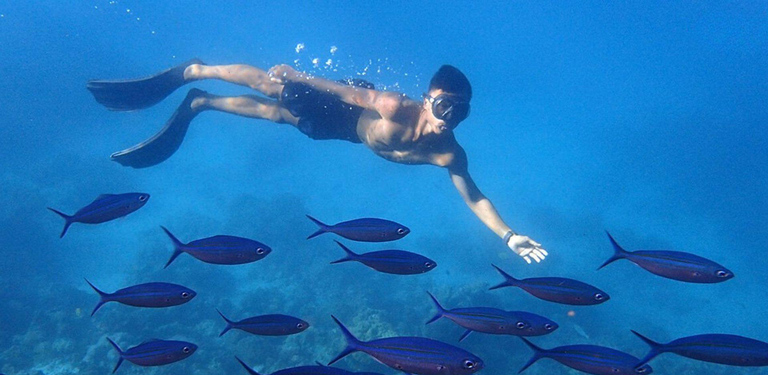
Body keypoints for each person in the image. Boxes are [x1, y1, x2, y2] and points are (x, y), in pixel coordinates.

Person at [87, 59, 547, 263]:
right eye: (446, 106)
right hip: (346, 106)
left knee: (278, 118)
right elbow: (350, 93)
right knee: (274, 90)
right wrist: (298, 75)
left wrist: (509, 236)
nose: (452, 118)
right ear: (429, 100)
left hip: (348, 134)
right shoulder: (394, 106)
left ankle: (201, 103)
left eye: (461, 111)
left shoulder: (449, 152)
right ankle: (196, 71)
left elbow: (474, 195)